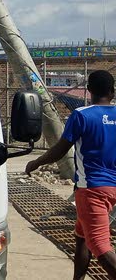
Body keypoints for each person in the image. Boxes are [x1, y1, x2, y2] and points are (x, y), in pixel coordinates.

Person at [26, 70, 116, 280]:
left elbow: (60, 149)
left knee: (99, 245)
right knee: (82, 237)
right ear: (112, 92)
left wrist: (36, 162)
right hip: (112, 188)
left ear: (89, 90)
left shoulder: (82, 115)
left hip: (91, 189)